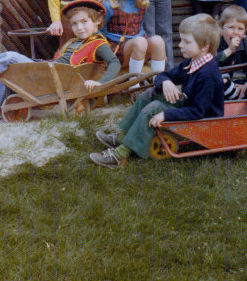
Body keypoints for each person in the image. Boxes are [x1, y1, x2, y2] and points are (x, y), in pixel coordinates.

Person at [89, 14, 224, 167]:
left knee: (155, 108)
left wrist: (166, 114)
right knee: (149, 95)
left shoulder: (208, 75)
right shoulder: (191, 63)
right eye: (181, 40)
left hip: (204, 117)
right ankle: (122, 135)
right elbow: (162, 75)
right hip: (188, 106)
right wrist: (166, 82)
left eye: (186, 42)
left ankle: (121, 154)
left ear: (205, 46)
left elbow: (198, 111)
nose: (180, 45)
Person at [0, 0, 120, 116]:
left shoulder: (98, 44)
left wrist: (100, 83)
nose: (79, 27)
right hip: (51, 72)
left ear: (97, 22)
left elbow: (114, 62)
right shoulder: (75, 41)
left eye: (84, 22)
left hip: (54, 78)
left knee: (10, 57)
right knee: (7, 65)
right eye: (75, 24)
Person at [102, 0, 166, 78]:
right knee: (140, 42)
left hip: (139, 48)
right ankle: (134, 85)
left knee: (158, 40)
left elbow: (139, 28)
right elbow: (100, 32)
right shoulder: (109, 5)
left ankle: (158, 82)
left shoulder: (141, 3)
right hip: (116, 52)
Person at [217, 5, 247, 99]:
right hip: (217, 82)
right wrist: (229, 50)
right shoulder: (216, 43)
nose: (236, 32)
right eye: (231, 27)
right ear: (222, 28)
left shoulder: (245, 46)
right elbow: (212, 61)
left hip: (234, 84)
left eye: (240, 29)